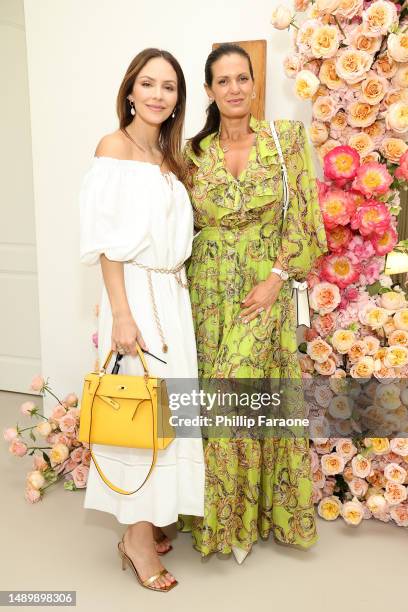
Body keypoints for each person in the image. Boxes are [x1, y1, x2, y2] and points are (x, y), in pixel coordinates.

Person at [179, 43, 327, 563]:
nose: (235, 88)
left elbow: (307, 221)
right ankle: (227, 521)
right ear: (209, 91)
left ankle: (238, 524)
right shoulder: (193, 155)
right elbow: (178, 227)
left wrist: (276, 279)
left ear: (254, 84)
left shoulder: (285, 140)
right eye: (224, 81)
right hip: (207, 293)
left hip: (264, 290)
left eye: (243, 78)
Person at [79, 48, 205, 591]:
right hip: (134, 290)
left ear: (178, 98)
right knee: (138, 413)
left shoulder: (167, 155)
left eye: (169, 86)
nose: (158, 94)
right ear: (130, 90)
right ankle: (135, 541)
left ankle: (147, 520)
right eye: (148, 84)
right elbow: (108, 244)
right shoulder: (115, 147)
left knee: (166, 410)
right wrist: (122, 316)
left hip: (169, 292)